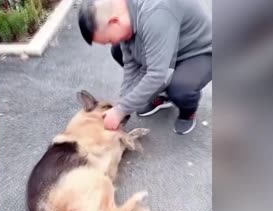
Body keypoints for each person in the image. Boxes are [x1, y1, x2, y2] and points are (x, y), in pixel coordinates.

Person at [78, 0, 212, 134]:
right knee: (117, 50)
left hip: (199, 52)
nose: (110, 43)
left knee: (179, 89)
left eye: (108, 40)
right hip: (167, 47)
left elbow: (157, 75)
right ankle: (163, 94)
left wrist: (121, 110)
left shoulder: (156, 14)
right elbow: (130, 64)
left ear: (114, 21)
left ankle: (187, 113)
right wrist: (122, 102)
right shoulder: (125, 14)